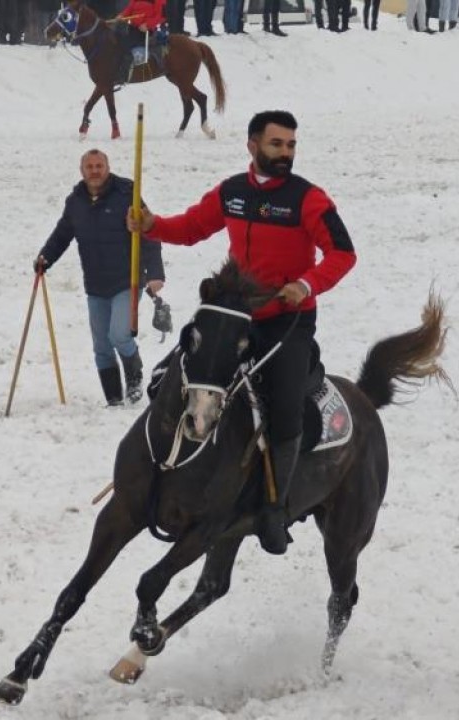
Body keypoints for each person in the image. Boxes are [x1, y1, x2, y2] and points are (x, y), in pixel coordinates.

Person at [128, 110, 357, 556]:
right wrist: (153, 225)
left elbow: (342, 253)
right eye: (276, 145)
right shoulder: (232, 193)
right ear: (252, 145)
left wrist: (306, 283)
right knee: (176, 377)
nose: (285, 154)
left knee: (285, 407)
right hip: (236, 316)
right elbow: (193, 227)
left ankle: (274, 507)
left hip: (287, 321)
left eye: (291, 145)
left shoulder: (308, 199)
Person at [36, 149, 166, 407]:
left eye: (99, 166)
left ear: (107, 167)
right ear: (82, 171)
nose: (95, 171)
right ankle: (113, 399)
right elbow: (63, 233)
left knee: (119, 334)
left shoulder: (127, 193)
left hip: (126, 280)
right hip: (95, 284)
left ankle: (134, 377)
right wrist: (45, 258)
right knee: (102, 346)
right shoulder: (76, 201)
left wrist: (155, 273)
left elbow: (149, 231)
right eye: (90, 167)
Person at [114, 0, 164, 80]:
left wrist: (147, 24)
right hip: (133, 28)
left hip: (146, 30)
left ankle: (123, 75)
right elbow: (130, 8)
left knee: (127, 49)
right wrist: (122, 15)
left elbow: (161, 16)